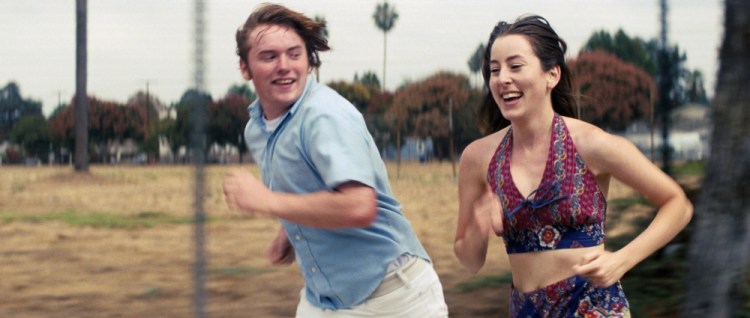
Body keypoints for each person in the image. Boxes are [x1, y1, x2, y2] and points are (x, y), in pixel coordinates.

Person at [453, 14, 693, 317]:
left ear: (551, 75)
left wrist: (622, 260)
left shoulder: (592, 144)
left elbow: (677, 204)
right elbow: (470, 261)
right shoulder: (478, 157)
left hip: (593, 308)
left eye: (515, 66)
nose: (502, 78)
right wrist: (478, 225)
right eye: (494, 69)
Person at [223, 3, 448, 317]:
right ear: (245, 68)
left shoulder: (323, 115)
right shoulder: (257, 130)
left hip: (393, 297)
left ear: (309, 61)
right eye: (269, 56)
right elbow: (309, 187)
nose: (284, 65)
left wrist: (266, 201)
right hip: (323, 298)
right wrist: (288, 232)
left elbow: (358, 205)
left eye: (294, 54)